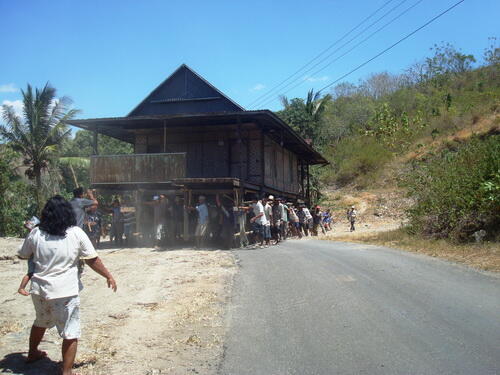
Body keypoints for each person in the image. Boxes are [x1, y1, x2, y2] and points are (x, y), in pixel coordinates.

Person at [17, 195, 116, 375]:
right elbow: (92, 259)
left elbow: (23, 255)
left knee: (40, 321)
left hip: (39, 290)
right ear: (68, 213)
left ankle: (32, 353)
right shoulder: (76, 233)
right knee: (70, 332)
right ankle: (67, 371)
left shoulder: (36, 233)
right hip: (65, 292)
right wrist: (108, 275)